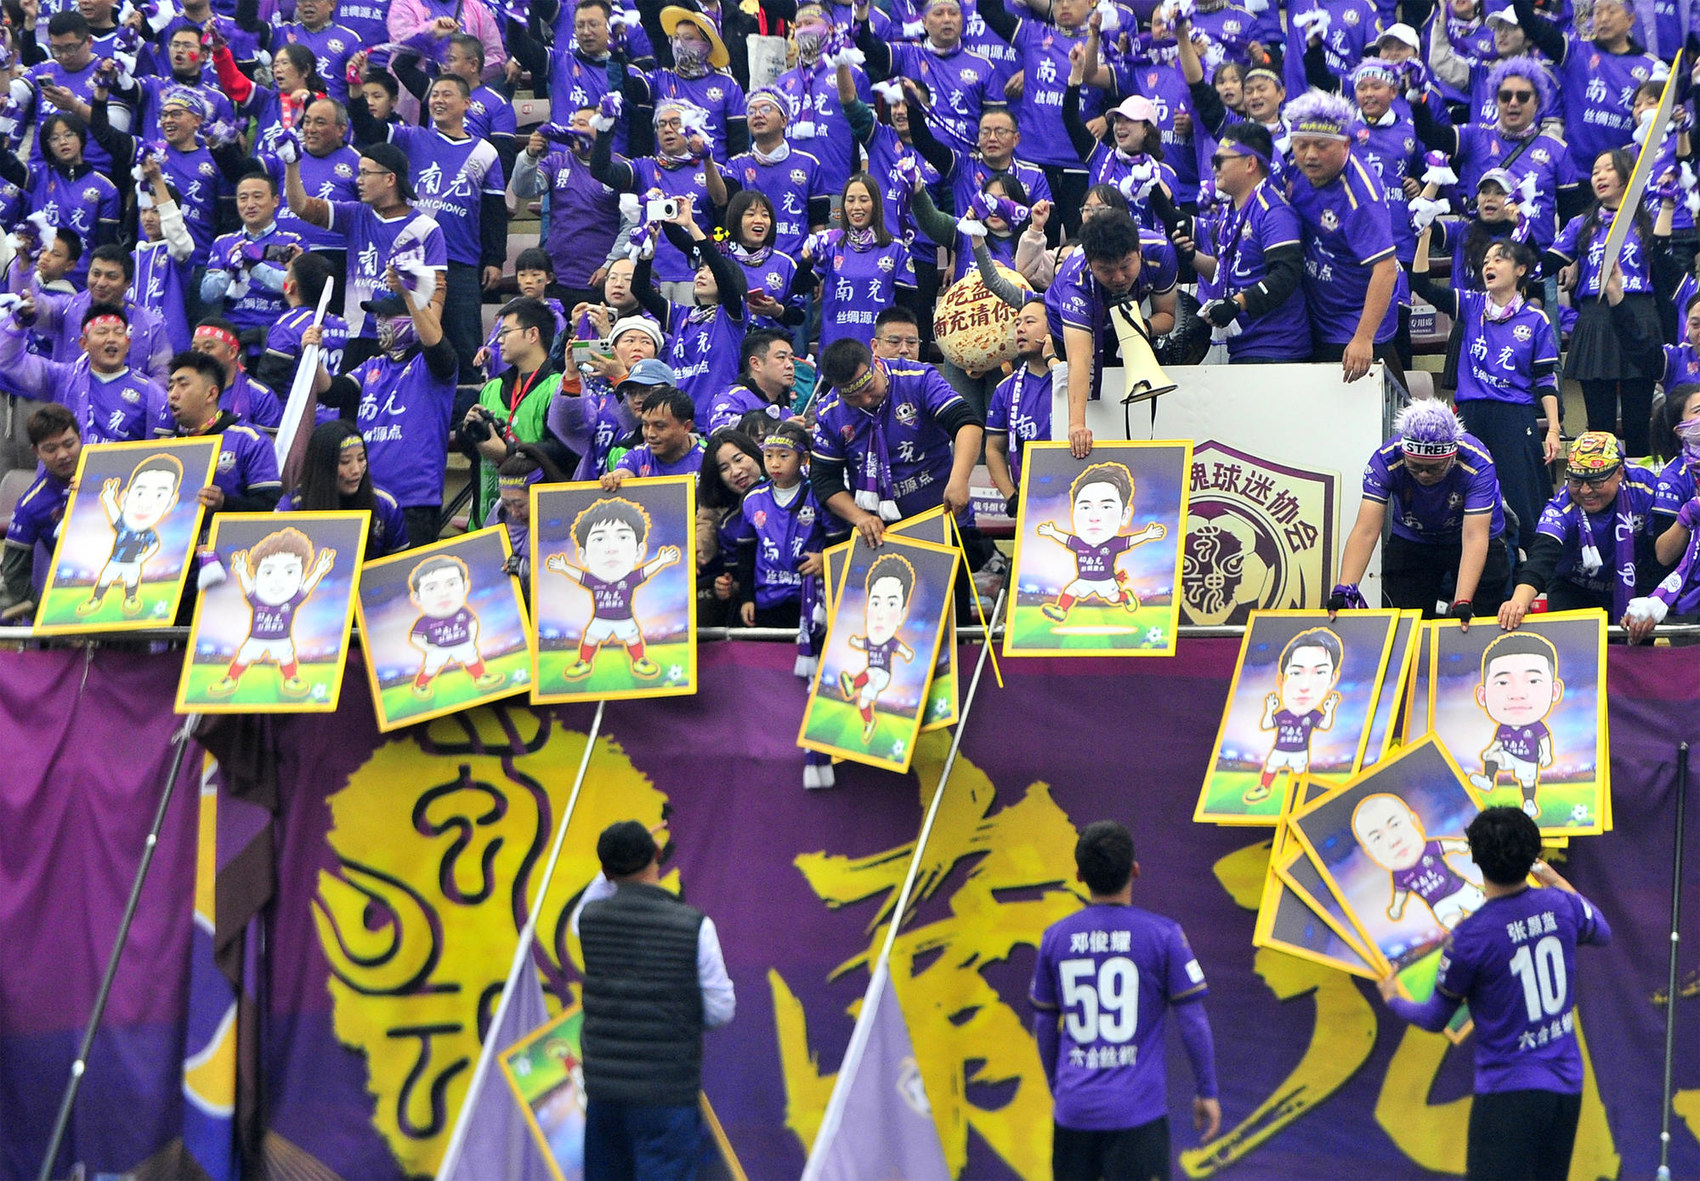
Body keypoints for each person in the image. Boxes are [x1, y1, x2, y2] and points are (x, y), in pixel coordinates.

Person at [1375, 806, 1610, 1181]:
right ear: (1533, 854)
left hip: (1508, 1091)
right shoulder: (1561, 905)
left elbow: (1435, 1018)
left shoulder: (1470, 936)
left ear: (1475, 859)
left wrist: (1393, 998)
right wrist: (1553, 879)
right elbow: (1601, 930)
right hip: (1565, 1085)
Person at [1030, 820, 1220, 1181]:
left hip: (1074, 1113)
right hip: (1138, 1114)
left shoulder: (1055, 938)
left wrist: (1061, 1088)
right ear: (1135, 870)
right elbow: (1192, 1020)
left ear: (1079, 875)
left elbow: (1044, 1022)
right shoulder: (1164, 935)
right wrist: (1206, 1090)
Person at [572, 818, 734, 1178]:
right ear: (657, 854)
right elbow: (721, 1010)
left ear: (606, 872)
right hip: (667, 1093)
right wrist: (676, 1016)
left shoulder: (589, 919)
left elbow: (588, 903)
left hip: (603, 1093)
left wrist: (612, 865)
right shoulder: (695, 926)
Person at [352, 73, 507, 383]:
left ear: (467, 103)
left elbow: (494, 210)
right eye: (434, 94)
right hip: (413, 261)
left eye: (446, 94)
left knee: (464, 349)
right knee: (411, 346)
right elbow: (368, 129)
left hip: (461, 261)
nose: (438, 100)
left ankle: (465, 408)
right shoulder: (412, 137)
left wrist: (494, 258)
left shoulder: (486, 152)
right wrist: (356, 92)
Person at [1408, 232, 1558, 546]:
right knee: (1460, 494)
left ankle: (1530, 567)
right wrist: (1424, 236)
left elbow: (1545, 379)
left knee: (1522, 498)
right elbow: (1422, 285)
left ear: (1520, 270)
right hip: (1471, 415)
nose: (1489, 265)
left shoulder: (1536, 320)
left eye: (1499, 259)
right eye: (1486, 260)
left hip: (1514, 415)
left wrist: (1554, 430)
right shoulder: (1471, 304)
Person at [308, 267, 459, 548]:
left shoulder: (432, 367)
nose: (380, 323)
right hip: (366, 496)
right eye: (378, 317)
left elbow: (436, 344)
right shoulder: (372, 365)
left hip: (413, 500)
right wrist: (312, 355)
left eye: (388, 316)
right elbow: (331, 392)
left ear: (412, 318)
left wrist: (409, 296)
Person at [1333, 401, 1512, 621]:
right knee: (1405, 618)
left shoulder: (1477, 463)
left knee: (1482, 615)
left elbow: (1475, 537)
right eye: (1415, 466)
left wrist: (1463, 601)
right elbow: (1366, 530)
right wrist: (1344, 589)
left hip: (1472, 534)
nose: (1424, 474)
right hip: (1413, 536)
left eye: (1434, 468)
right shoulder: (1386, 459)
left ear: (1452, 456)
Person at [808, 337, 984, 544]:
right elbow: (824, 479)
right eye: (853, 398)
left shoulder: (918, 379)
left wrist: (959, 480)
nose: (865, 400)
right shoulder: (830, 412)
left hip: (943, 518)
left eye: (869, 388)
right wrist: (860, 517)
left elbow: (967, 425)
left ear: (876, 361)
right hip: (879, 534)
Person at [283, 138, 449, 358]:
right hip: (357, 335)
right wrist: (292, 165)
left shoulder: (426, 228)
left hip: (403, 339)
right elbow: (301, 207)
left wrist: (431, 342)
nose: (358, 181)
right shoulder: (354, 215)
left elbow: (437, 289)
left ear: (390, 179)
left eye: (365, 173)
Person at [1548, 149, 1662, 457]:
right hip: (1596, 319)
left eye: (1607, 169)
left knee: (1638, 424)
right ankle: (1599, 482)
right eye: (1595, 171)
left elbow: (1666, 271)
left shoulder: (1648, 218)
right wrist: (1520, 228)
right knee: (1600, 428)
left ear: (1626, 176)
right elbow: (1544, 266)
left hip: (1640, 315)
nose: (1598, 176)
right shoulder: (1581, 224)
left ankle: (1638, 482)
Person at [1283, 90, 1402, 386]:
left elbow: (1386, 270)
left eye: (1321, 146)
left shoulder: (1362, 198)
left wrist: (1363, 338)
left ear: (1345, 144)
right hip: (1314, 308)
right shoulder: (1293, 168)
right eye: (1302, 145)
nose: (1310, 155)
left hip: (1353, 319)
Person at [1048, 209, 1178, 458]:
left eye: (1125, 266)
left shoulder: (1161, 252)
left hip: (1126, 319)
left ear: (1139, 250)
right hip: (1070, 326)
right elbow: (1080, 359)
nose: (1119, 278)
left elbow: (1167, 316)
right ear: (1090, 262)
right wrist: (1076, 426)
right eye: (1106, 270)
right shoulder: (1076, 281)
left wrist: (1139, 328)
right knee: (1091, 384)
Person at [1497, 432, 1663, 628]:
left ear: (1619, 473)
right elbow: (1542, 556)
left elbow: (1660, 555)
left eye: (1596, 481)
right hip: (1574, 588)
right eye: (1576, 481)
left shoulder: (1646, 489)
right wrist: (1517, 602)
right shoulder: (1562, 506)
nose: (1585, 490)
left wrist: (1652, 602)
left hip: (1636, 583)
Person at [1182, 122, 1309, 363]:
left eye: (1220, 160)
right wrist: (1191, 256)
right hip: (1244, 345)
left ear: (1250, 164)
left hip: (1276, 348)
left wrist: (1236, 304)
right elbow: (1226, 272)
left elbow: (1285, 275)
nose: (1214, 167)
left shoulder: (1274, 212)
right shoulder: (1230, 211)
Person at [0, 301, 170, 446]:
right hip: (69, 474)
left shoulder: (151, 392)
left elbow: (160, 449)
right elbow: (10, 362)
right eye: (102, 332)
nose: (111, 338)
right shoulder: (62, 378)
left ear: (128, 343)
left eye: (119, 333)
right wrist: (19, 323)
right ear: (84, 344)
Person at [460, 296, 564, 530]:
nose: (499, 340)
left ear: (532, 334)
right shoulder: (492, 388)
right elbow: (473, 450)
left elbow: (563, 452)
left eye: (505, 332)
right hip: (486, 521)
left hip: (537, 526)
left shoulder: (558, 388)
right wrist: (468, 429)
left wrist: (507, 451)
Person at [731, 422, 831, 629]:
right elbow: (746, 552)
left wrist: (826, 559)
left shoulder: (819, 495)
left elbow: (839, 539)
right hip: (767, 599)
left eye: (784, 456)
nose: (774, 464)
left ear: (804, 458)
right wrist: (746, 598)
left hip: (811, 596)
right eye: (768, 455)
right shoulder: (753, 499)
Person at [163, 350, 283, 519]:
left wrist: (225, 503)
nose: (173, 395)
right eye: (170, 387)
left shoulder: (250, 440)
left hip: (228, 536)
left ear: (211, 394)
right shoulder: (166, 447)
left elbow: (269, 506)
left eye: (183, 385)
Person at [276, 419, 409, 559]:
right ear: (322, 466)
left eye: (361, 459)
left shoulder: (386, 505)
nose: (356, 470)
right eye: (345, 461)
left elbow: (397, 566)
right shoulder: (291, 507)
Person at [199, 172, 305, 340]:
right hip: (233, 334)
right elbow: (207, 295)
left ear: (275, 201)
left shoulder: (292, 242)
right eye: (243, 198)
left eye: (257, 197)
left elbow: (298, 290)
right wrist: (229, 271)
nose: (250, 205)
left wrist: (254, 267)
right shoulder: (223, 242)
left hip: (279, 332)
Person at [0, 405, 81, 620]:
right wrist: (46, 614)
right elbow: (14, 574)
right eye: (50, 449)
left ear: (80, 438)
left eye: (69, 444)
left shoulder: (112, 478)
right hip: (74, 600)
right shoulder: (31, 505)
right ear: (36, 452)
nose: (62, 455)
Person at [984, 297, 1053, 515]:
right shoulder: (1005, 389)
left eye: (1030, 322)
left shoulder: (1075, 379)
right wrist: (1011, 496)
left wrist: (1052, 358)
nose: (1020, 329)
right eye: (1017, 323)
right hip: (1032, 500)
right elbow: (994, 449)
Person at [601, 385, 705, 486]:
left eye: (659, 426)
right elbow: (623, 471)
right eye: (645, 425)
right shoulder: (636, 456)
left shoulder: (707, 458)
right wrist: (617, 478)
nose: (650, 434)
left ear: (686, 427)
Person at [192, 318, 285, 429]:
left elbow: (269, 439)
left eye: (208, 347)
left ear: (232, 352)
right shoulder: (184, 393)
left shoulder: (261, 397)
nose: (200, 354)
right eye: (195, 349)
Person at [706, 330, 796, 434]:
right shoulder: (731, 400)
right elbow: (724, 437)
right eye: (781, 357)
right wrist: (781, 431)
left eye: (791, 359)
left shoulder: (786, 412)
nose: (790, 365)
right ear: (755, 363)